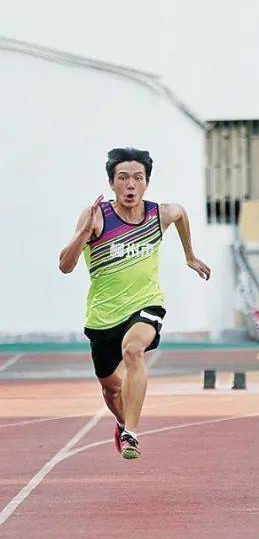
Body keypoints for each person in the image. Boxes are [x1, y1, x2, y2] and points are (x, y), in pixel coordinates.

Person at [58, 147, 212, 460]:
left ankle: (132, 433)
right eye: (123, 178)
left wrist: (189, 255)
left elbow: (180, 213)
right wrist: (84, 234)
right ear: (112, 183)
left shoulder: (159, 214)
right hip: (103, 315)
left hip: (146, 303)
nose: (130, 185)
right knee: (111, 389)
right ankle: (121, 420)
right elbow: (65, 265)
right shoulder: (95, 218)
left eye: (137, 178)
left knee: (133, 350)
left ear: (146, 184)